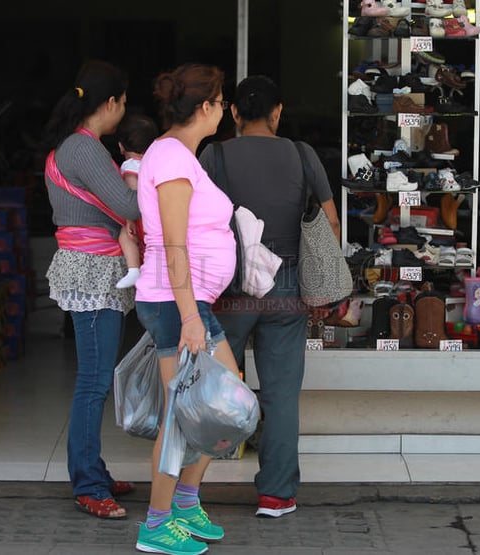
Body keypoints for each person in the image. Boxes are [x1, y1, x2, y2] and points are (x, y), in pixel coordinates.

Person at [197, 75, 340, 518]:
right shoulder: (302, 154)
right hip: (287, 285)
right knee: (280, 393)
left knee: (208, 384)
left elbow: (195, 222)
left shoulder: (213, 154)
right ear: (278, 112)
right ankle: (276, 494)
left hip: (229, 285)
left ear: (234, 113)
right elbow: (331, 224)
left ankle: (187, 491)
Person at [134, 63, 240, 555]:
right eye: (221, 101)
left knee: (218, 409)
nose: (224, 110)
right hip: (178, 303)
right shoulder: (172, 157)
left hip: (186, 300)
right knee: (191, 414)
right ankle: (157, 523)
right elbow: (172, 244)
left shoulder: (180, 155)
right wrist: (192, 318)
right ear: (205, 106)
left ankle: (184, 503)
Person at [42, 60, 139, 520]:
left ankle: (91, 469)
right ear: (111, 103)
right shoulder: (85, 150)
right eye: (123, 101)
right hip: (94, 272)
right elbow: (128, 205)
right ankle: (87, 483)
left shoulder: (78, 147)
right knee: (94, 382)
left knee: (94, 379)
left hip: (89, 269)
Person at [114, 114, 159, 289]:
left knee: (125, 235)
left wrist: (129, 219)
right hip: (158, 216)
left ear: (121, 147)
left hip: (141, 218)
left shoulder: (130, 166)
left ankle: (134, 270)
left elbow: (133, 198)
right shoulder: (155, 162)